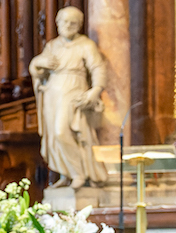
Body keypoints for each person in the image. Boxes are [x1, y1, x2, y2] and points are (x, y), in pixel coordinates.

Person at [29, 6, 108, 188]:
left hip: (73, 89)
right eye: (65, 22)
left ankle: (78, 172)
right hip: (52, 93)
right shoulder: (52, 45)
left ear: (79, 25)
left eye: (73, 23)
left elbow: (97, 67)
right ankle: (66, 174)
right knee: (53, 136)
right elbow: (36, 68)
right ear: (58, 23)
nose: (68, 25)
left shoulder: (85, 45)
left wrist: (95, 90)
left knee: (62, 131)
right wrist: (39, 62)